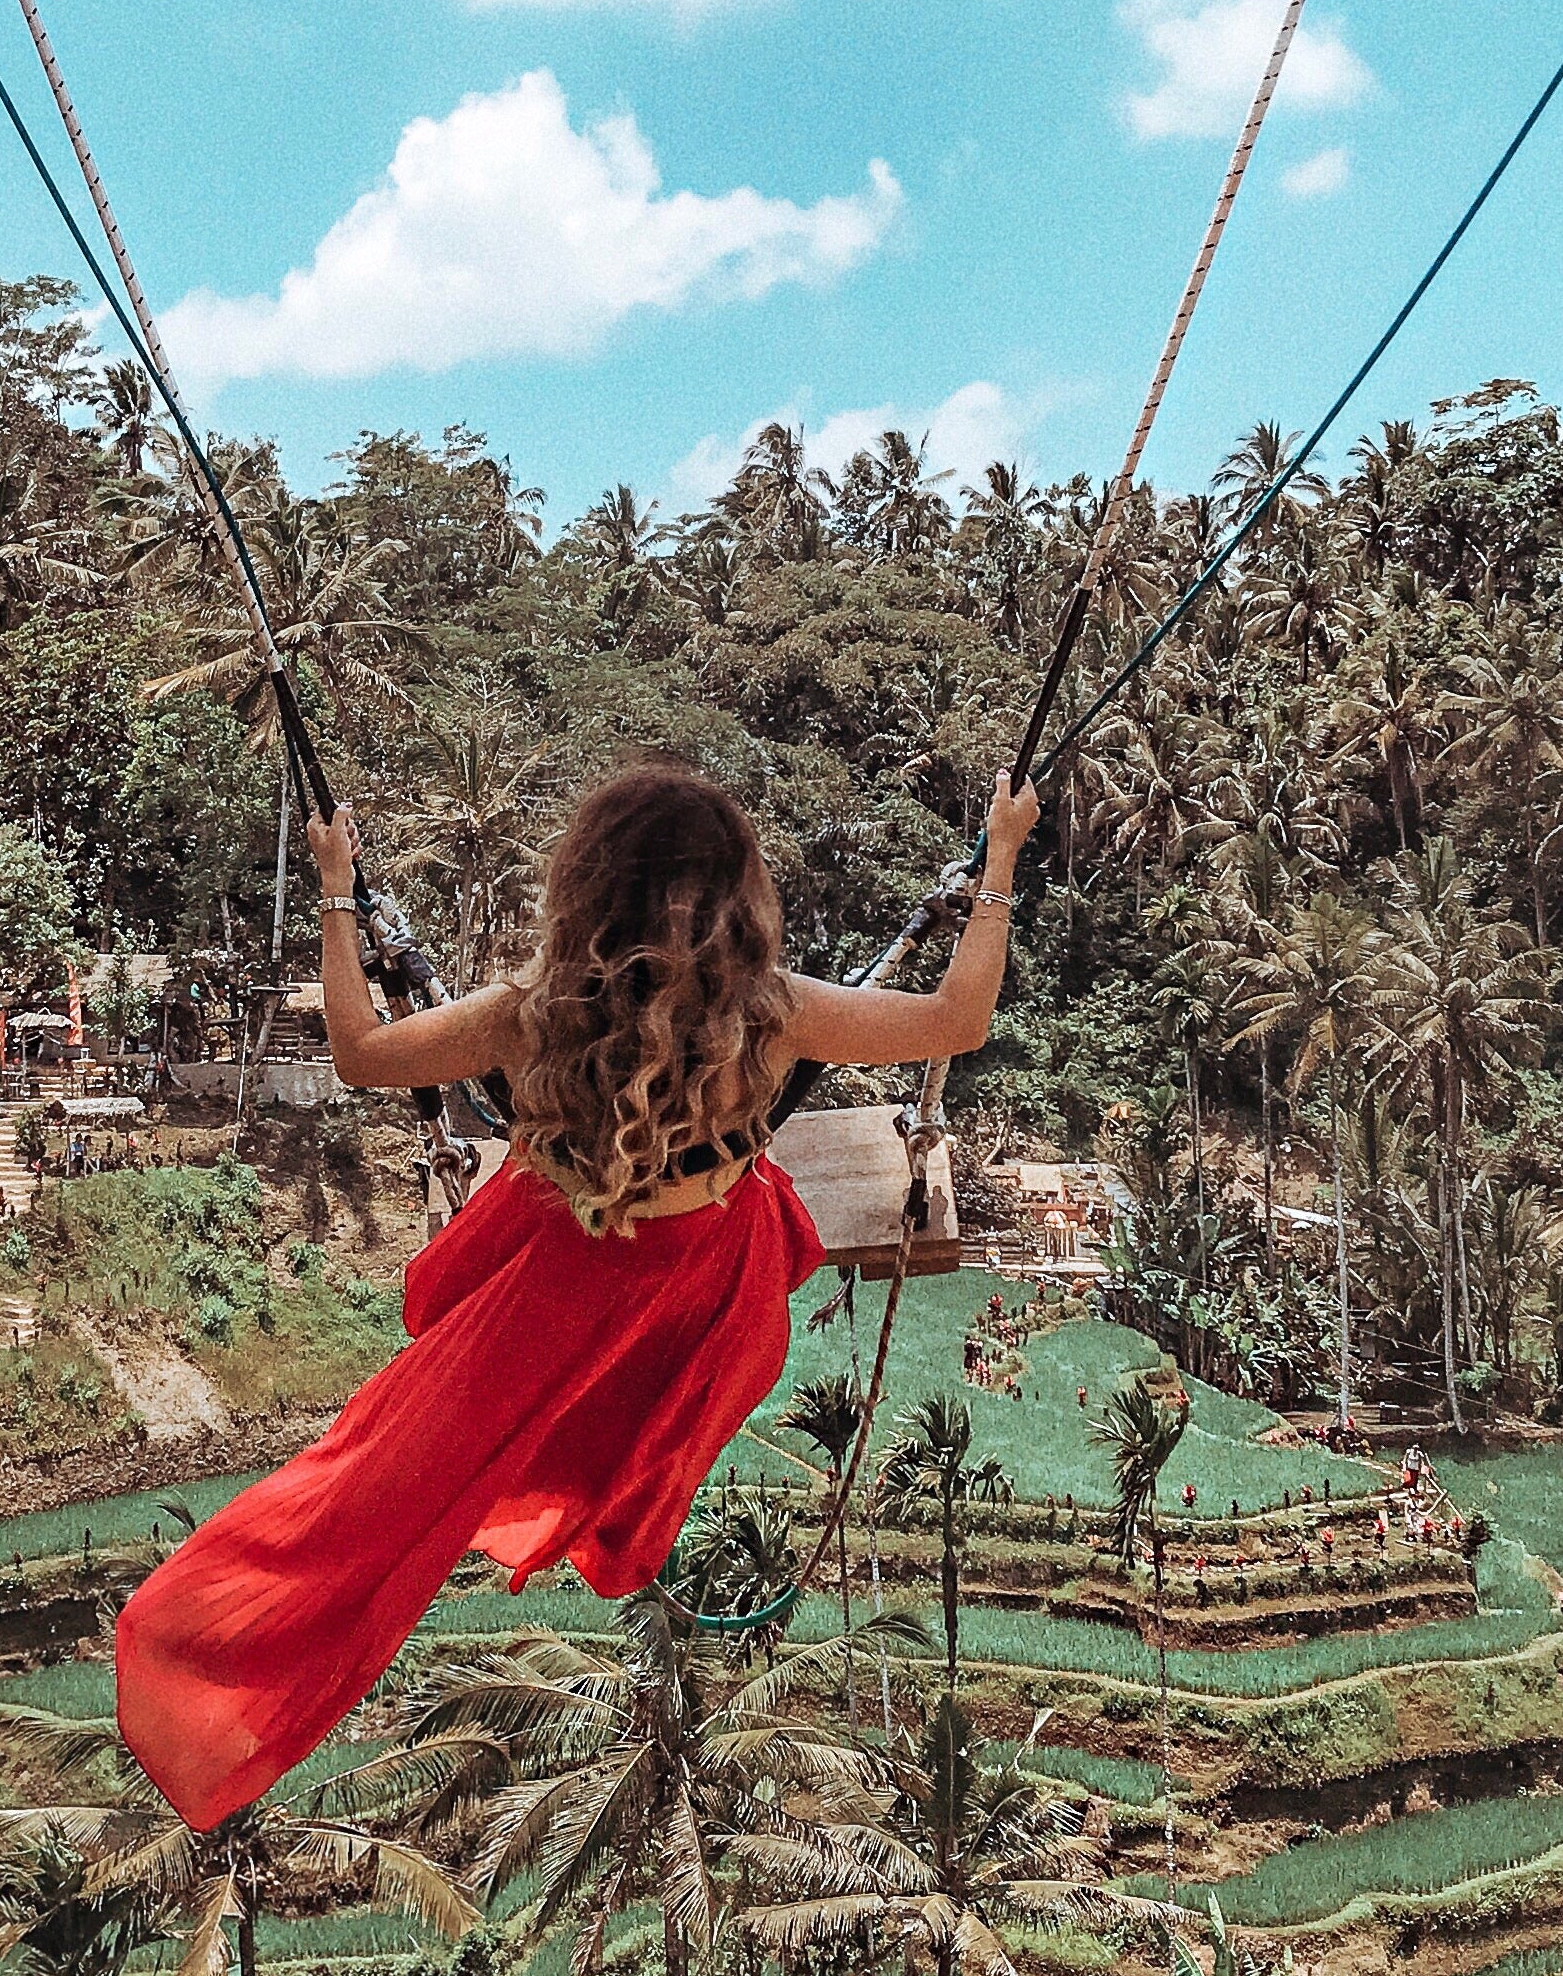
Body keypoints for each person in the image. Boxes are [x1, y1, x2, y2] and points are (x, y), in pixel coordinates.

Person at [116, 757, 1039, 1829]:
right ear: (740, 896)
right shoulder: (774, 1012)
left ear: (587, 889)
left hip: (562, 1275)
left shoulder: (528, 1015)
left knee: (376, 1477)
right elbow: (960, 1018)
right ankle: (611, 1491)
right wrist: (1001, 856)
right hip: (702, 1286)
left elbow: (363, 1053)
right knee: (757, 1229)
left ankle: (189, 1648)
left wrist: (337, 887)